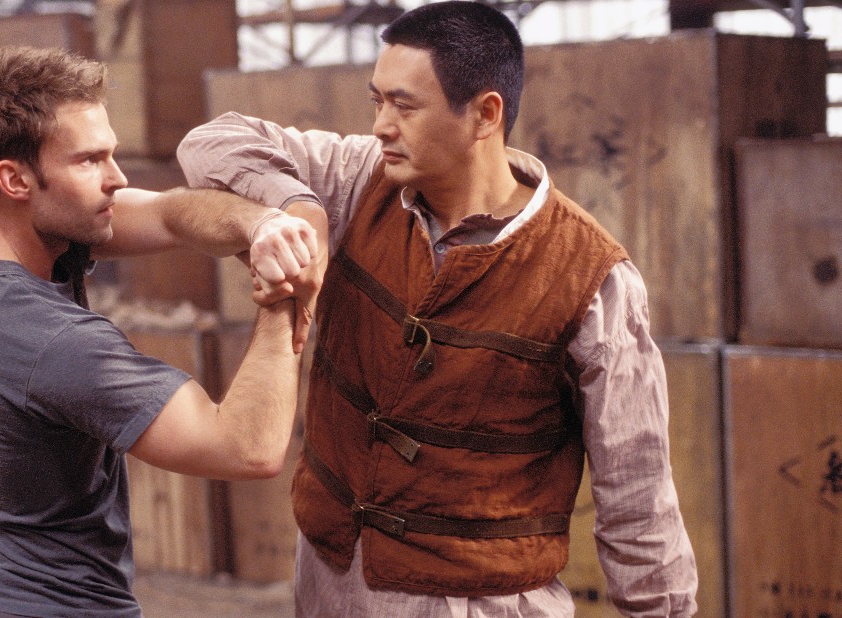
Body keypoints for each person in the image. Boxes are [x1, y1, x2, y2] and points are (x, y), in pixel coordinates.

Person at [177, 2, 698, 616]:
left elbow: (637, 494)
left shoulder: (593, 279)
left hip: (478, 601)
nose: (381, 126)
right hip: (331, 575)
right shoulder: (360, 178)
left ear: (485, 114)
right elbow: (208, 144)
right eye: (377, 101)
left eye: (404, 106)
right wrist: (297, 206)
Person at [0, 45, 327, 617]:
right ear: (14, 178)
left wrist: (263, 224)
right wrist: (284, 288)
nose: (116, 179)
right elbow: (247, 448)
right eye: (89, 161)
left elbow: (168, 214)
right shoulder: (51, 341)